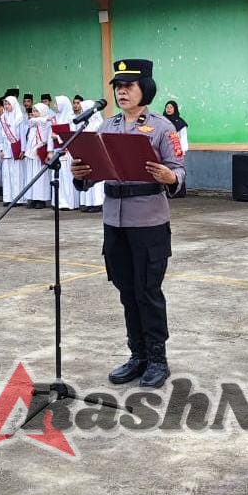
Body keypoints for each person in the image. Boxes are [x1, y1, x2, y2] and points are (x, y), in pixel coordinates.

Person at [71, 59, 185, 388]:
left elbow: (180, 170)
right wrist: (81, 176)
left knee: (147, 291)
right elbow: (90, 173)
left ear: (144, 89)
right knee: (125, 291)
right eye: (117, 86)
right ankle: (137, 355)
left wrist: (169, 176)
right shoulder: (105, 128)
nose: (122, 91)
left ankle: (157, 358)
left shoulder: (164, 128)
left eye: (128, 86)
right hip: (114, 221)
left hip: (148, 220)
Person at [0, 95, 27, 207]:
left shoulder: (19, 117)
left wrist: (23, 149)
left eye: (8, 104)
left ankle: (18, 198)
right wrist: (0, 148)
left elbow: (22, 135)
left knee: (17, 174)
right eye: (5, 104)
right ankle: (8, 197)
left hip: (16, 148)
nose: (6, 106)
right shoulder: (3, 118)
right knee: (7, 174)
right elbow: (0, 135)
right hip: (6, 149)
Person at [77, 99, 106, 213]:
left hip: (96, 155)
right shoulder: (84, 124)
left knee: (96, 179)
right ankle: (88, 203)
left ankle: (98, 203)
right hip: (86, 154)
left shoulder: (99, 124)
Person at [24, 102, 55, 209]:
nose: (34, 113)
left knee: (41, 178)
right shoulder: (34, 122)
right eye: (33, 111)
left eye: (37, 111)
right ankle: (31, 198)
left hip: (40, 152)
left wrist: (46, 119)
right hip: (31, 152)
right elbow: (30, 121)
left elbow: (48, 138)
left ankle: (40, 199)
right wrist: (45, 119)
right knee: (31, 176)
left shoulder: (47, 123)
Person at [52, 95, 79, 210]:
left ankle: (69, 202)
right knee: (58, 176)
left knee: (67, 177)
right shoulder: (55, 117)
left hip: (68, 151)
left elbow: (73, 135)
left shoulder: (71, 118)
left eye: (56, 104)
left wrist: (57, 137)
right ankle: (59, 202)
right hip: (57, 150)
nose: (55, 106)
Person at [163, 101, 189, 198]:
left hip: (177, 150)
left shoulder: (180, 123)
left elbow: (183, 138)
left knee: (177, 171)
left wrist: (183, 151)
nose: (169, 109)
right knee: (165, 170)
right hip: (165, 150)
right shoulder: (162, 121)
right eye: (167, 107)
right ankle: (165, 192)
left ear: (175, 109)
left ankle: (178, 192)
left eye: (171, 107)